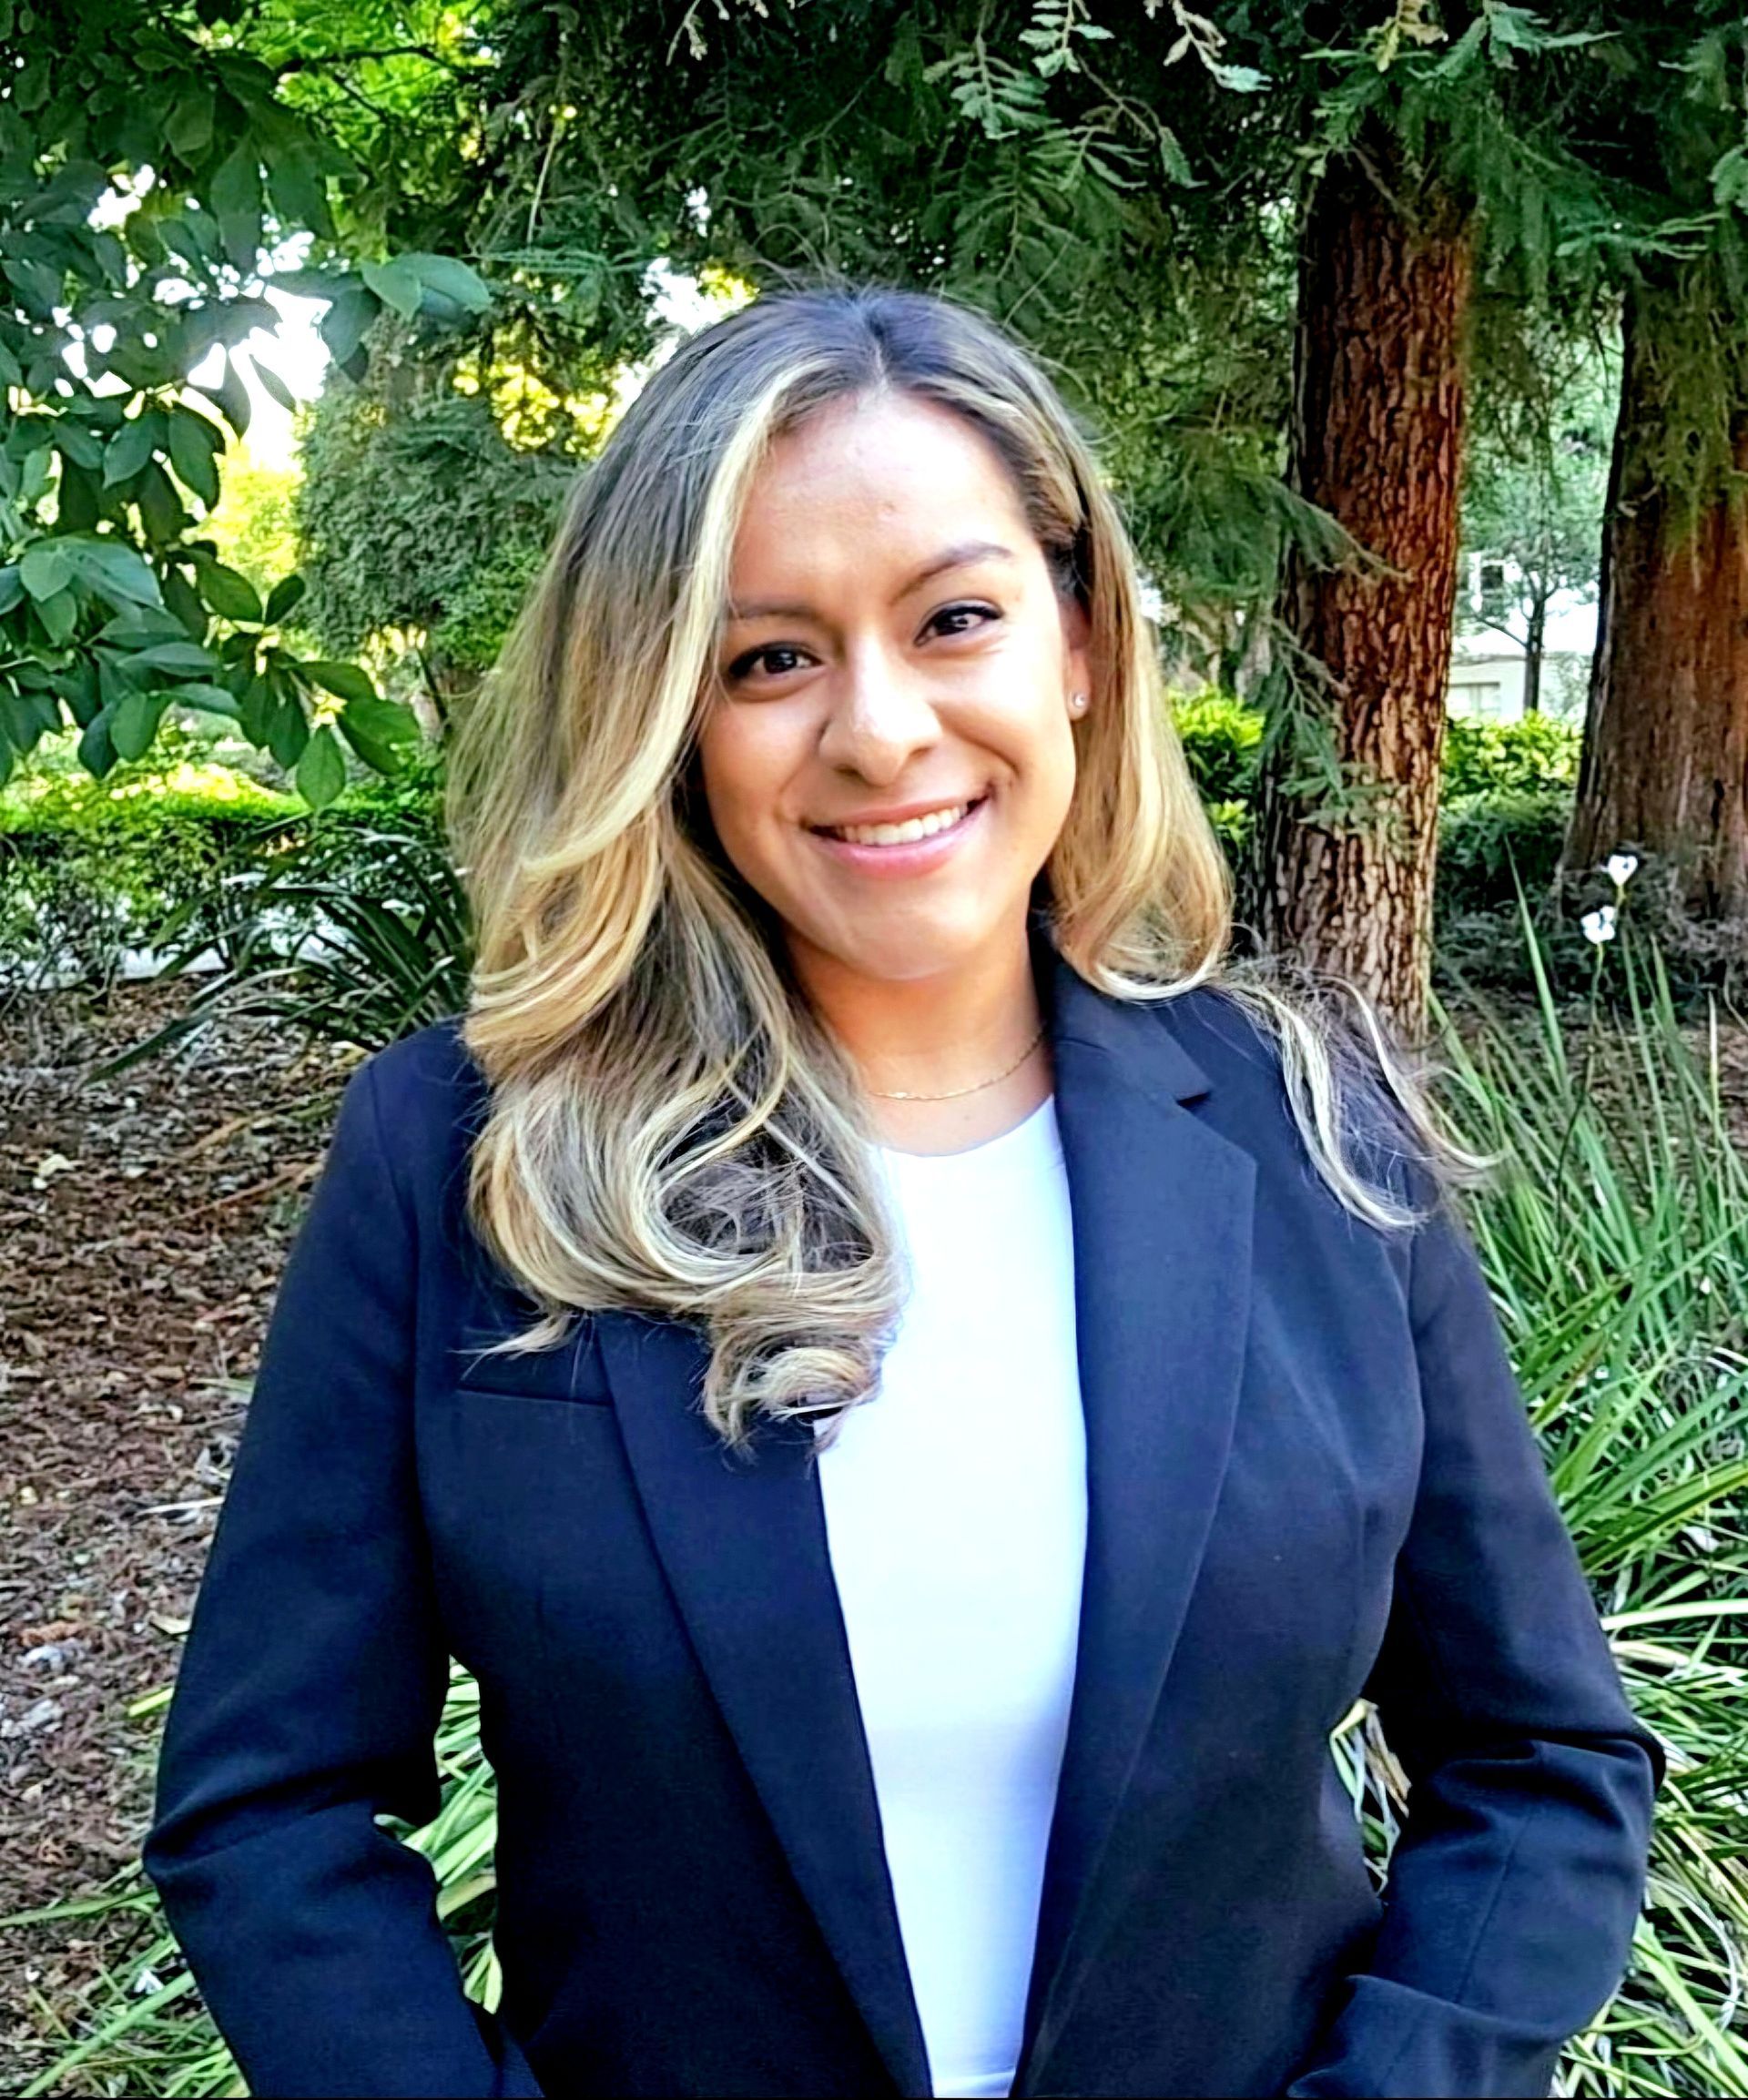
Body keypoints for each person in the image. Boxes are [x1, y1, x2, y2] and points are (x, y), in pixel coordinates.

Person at [141, 283, 1661, 2100]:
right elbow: (269, 1804)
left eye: (955, 619)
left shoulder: (1316, 1139)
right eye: (769, 654)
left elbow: (1543, 1762)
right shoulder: (461, 1163)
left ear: (1081, 643)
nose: (879, 730)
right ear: (668, 709)